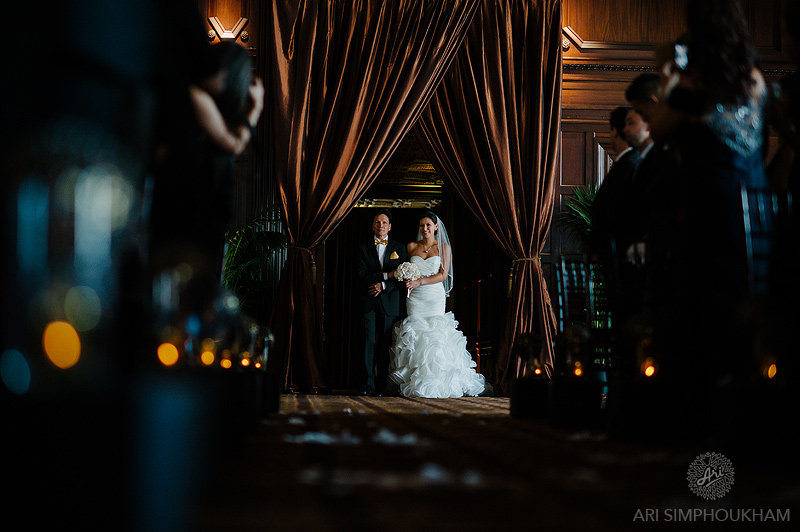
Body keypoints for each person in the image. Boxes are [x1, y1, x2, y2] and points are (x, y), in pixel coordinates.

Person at [386, 211, 487, 398]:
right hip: (414, 297)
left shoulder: (443, 248)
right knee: (416, 333)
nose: (424, 229)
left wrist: (419, 281)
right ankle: (414, 379)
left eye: (428, 225)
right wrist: (403, 276)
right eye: (421, 226)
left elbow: (443, 275)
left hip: (433, 296)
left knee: (434, 334)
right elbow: (401, 269)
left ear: (435, 227)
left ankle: (438, 379)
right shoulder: (410, 247)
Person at [356, 209, 408, 396]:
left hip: (390, 301)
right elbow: (361, 274)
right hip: (368, 300)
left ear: (390, 226)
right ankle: (366, 385)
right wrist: (383, 278)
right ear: (373, 226)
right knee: (367, 342)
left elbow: (402, 276)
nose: (381, 225)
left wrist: (383, 286)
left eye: (384, 222)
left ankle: (381, 385)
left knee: (386, 344)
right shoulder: (362, 248)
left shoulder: (400, 248)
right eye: (377, 222)